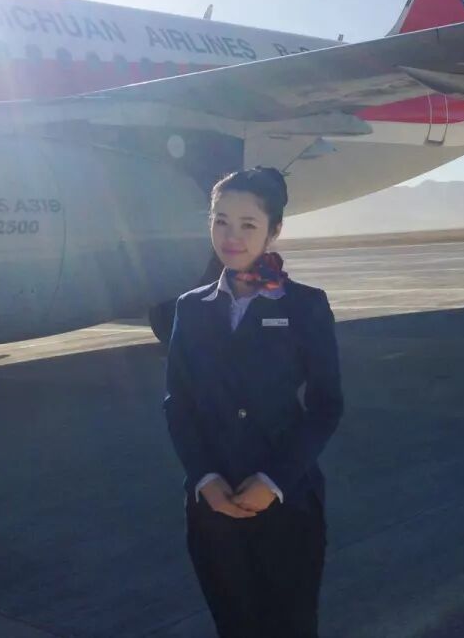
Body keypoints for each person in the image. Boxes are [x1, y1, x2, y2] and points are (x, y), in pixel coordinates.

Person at [163, 166, 344, 638]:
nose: (232, 236)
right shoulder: (191, 308)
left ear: (273, 230)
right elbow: (177, 403)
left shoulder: (304, 306)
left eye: (248, 224)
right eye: (221, 221)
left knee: (291, 626)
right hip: (212, 504)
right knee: (233, 624)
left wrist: (273, 480)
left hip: (287, 500)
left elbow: (326, 405)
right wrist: (204, 479)